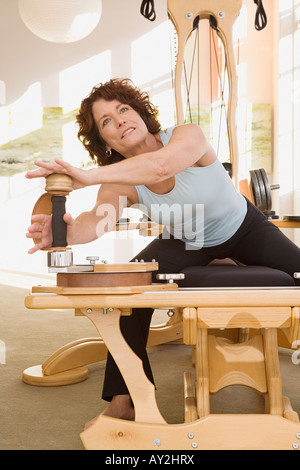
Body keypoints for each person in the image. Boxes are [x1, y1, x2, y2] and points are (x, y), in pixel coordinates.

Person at [26, 78, 300, 428]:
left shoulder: (187, 136)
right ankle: (125, 400)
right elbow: (96, 222)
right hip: (187, 240)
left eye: (123, 109)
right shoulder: (118, 181)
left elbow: (161, 166)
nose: (120, 119)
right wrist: (60, 233)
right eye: (106, 120)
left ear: (140, 113)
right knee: (128, 291)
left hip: (243, 226)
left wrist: (88, 175)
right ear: (103, 140)